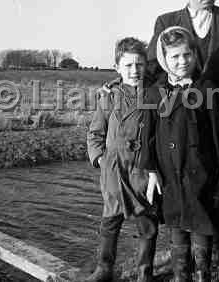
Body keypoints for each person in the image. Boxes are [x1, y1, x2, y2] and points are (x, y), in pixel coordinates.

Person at [139, 26, 219, 282]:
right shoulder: (155, 92)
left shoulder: (207, 89)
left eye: (187, 55)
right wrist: (152, 171)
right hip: (169, 175)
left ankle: (203, 274)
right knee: (177, 227)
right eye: (174, 57)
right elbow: (149, 137)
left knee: (201, 226)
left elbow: (217, 133)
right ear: (164, 59)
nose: (182, 62)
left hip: (201, 172)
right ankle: (181, 276)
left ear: (194, 55)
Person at [86, 37, 158, 282]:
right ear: (117, 67)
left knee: (147, 224)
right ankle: (104, 268)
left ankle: (144, 272)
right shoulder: (108, 96)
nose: (134, 70)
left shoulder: (155, 93)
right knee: (110, 221)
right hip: (114, 170)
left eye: (139, 64)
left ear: (146, 65)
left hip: (142, 169)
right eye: (128, 65)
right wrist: (99, 160)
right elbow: (95, 132)